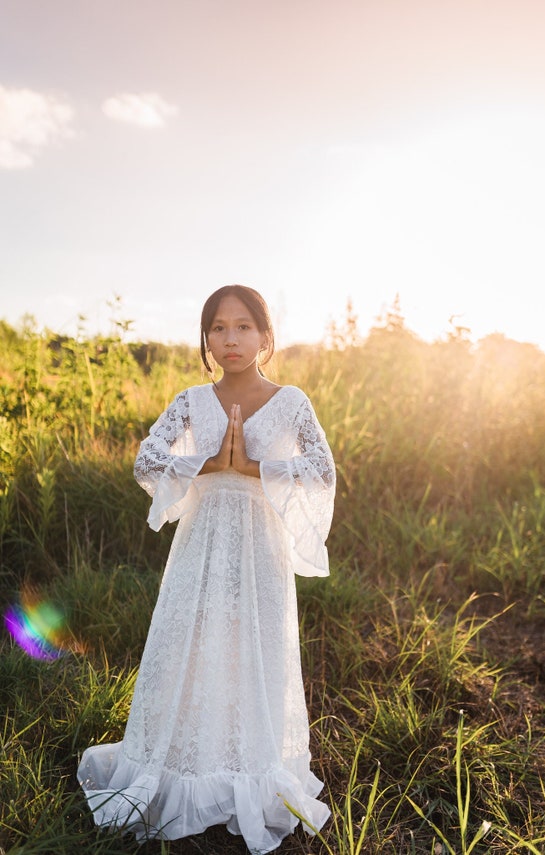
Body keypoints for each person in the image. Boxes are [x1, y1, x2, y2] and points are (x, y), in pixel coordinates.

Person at [77, 284, 336, 854]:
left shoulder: (291, 401)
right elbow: (148, 457)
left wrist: (251, 467)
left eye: (244, 327)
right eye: (218, 328)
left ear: (266, 338)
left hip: (259, 546)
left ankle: (248, 764)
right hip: (200, 546)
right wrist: (206, 463)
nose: (231, 338)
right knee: (193, 642)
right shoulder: (193, 400)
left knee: (256, 643)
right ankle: (184, 758)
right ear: (206, 339)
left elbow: (321, 468)